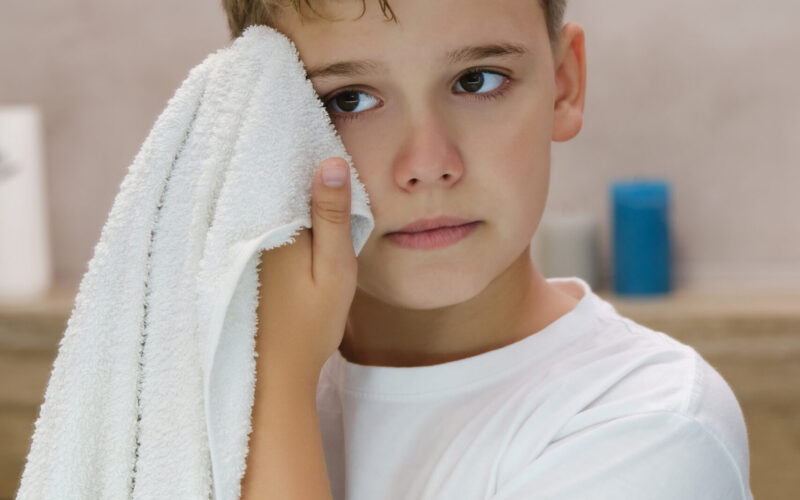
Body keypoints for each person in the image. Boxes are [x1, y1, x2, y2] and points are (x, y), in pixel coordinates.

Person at [220, 1, 753, 498]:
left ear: (564, 84)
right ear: (263, 123)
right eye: (348, 99)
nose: (428, 164)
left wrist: (278, 381)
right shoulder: (197, 390)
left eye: (476, 81)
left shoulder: (654, 426)